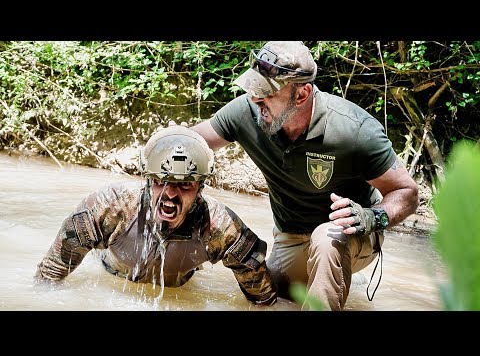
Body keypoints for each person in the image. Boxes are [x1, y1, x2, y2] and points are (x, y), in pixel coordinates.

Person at [192, 41, 419, 311]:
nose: (255, 100)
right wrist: (157, 151)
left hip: (350, 234)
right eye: (254, 89)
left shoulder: (354, 131)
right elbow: (190, 141)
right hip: (291, 236)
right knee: (266, 297)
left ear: (302, 94)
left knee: (327, 237)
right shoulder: (246, 112)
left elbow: (407, 193)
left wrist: (372, 217)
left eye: (266, 93)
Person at [34, 122, 277, 306]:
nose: (170, 194)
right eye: (162, 182)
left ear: (200, 189)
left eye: (185, 185)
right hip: (112, 276)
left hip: (180, 285)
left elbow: (264, 300)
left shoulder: (219, 227)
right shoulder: (110, 207)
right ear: (148, 181)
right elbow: (49, 276)